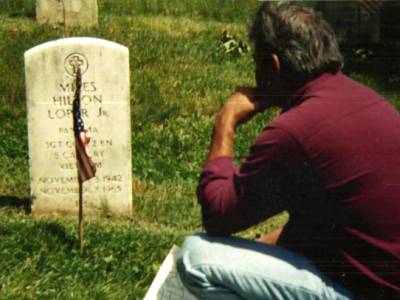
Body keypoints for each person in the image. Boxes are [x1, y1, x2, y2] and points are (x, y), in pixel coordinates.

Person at [176, 2, 400, 299]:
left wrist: (225, 121)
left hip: (368, 293)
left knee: (196, 258)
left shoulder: (294, 131)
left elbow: (218, 215)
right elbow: (325, 219)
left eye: (257, 64)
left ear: (272, 65)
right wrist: (258, 250)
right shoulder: (368, 99)